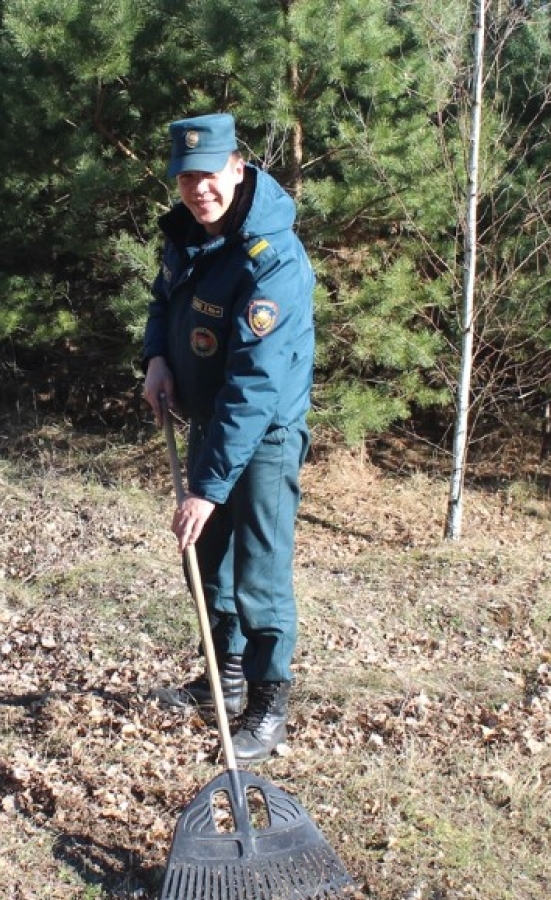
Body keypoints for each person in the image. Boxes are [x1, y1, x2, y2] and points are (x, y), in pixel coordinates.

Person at [141, 113, 315, 765]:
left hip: (262, 433)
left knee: (258, 572)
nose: (197, 189)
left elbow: (254, 386)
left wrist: (207, 489)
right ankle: (225, 672)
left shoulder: (273, 262)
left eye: (208, 175)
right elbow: (163, 302)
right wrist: (158, 358)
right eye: (186, 177)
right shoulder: (188, 234)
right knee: (205, 563)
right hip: (208, 421)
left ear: (236, 168)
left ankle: (269, 705)